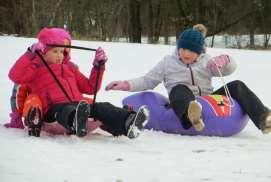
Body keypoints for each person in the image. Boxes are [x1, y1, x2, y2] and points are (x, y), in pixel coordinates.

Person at [105, 26, 271, 134]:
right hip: (181, 101)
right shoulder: (168, 63)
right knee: (178, 88)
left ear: (199, 52)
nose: (186, 53)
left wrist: (226, 60)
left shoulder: (206, 61)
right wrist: (126, 84)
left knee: (238, 85)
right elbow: (148, 80)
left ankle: (264, 118)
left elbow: (228, 70)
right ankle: (191, 115)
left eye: (191, 50)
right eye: (183, 48)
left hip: (207, 99)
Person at [8, 27, 149, 138]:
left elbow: (90, 88)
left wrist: (98, 67)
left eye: (62, 52)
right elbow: (14, 75)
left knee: (102, 107)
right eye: (55, 51)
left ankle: (128, 122)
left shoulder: (70, 68)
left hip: (79, 105)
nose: (59, 55)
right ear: (43, 51)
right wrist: (30, 55)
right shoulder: (35, 68)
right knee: (66, 110)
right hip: (53, 109)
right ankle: (76, 122)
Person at [4, 28, 73, 130]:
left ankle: (80, 115)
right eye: (56, 50)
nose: (61, 54)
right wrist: (17, 114)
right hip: (41, 107)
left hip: (61, 107)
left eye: (64, 50)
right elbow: (19, 91)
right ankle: (34, 119)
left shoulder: (68, 68)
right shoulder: (34, 66)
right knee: (33, 99)